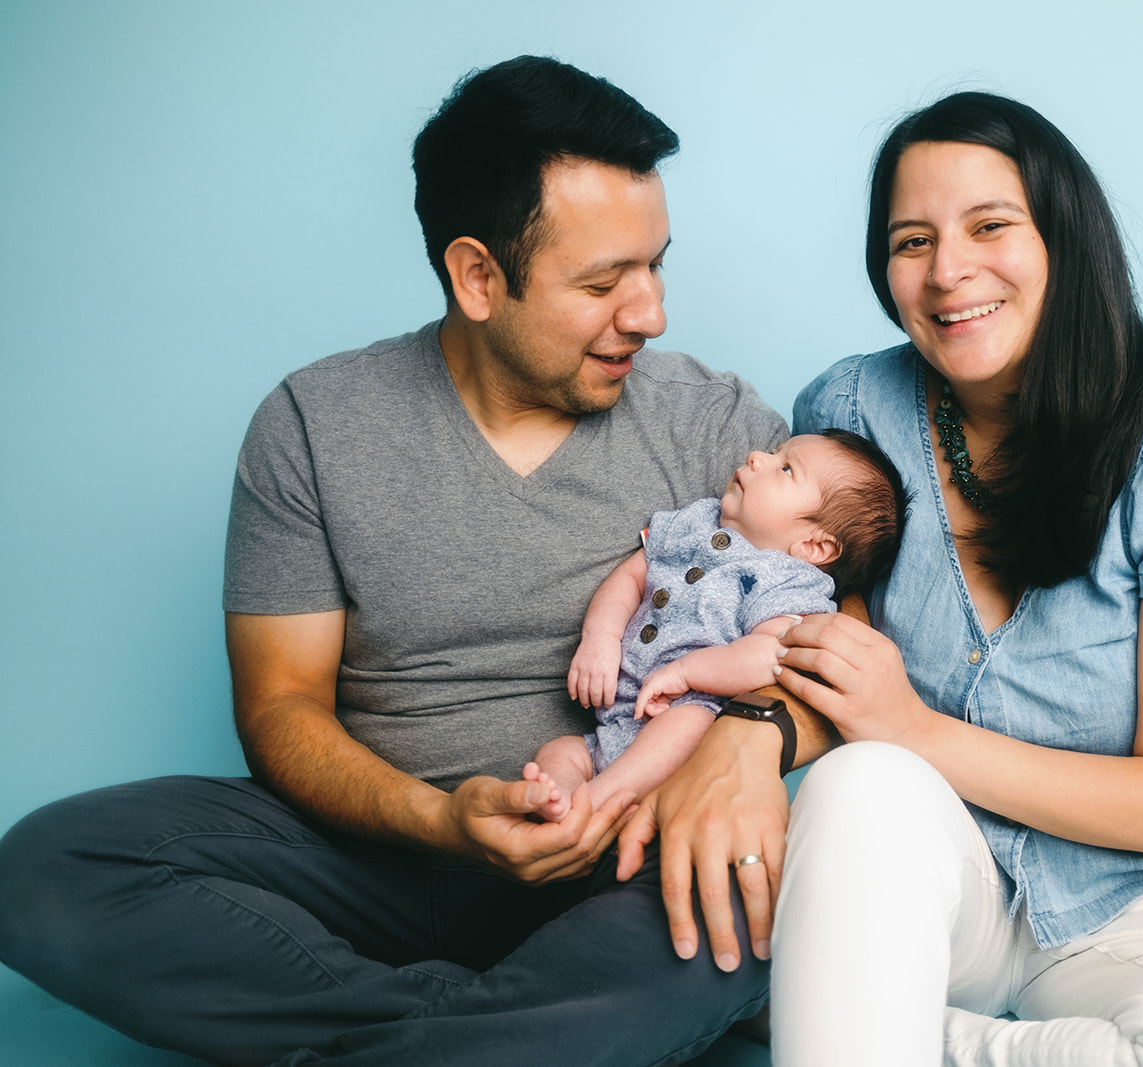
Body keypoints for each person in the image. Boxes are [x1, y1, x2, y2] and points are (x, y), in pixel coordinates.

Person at [0, 55, 821, 1066]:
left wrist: (745, 740)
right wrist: (442, 818)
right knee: (49, 865)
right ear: (478, 275)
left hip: (620, 853)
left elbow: (830, 633)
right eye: (605, 281)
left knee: (737, 908)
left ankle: (438, 1031)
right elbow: (278, 708)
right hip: (373, 855)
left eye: (655, 265)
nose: (649, 312)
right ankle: (500, 1035)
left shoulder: (715, 422)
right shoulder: (314, 422)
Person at [768, 92, 1143, 1065]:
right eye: (911, 240)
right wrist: (739, 754)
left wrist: (914, 726)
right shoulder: (848, 410)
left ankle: (923, 1038)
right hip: (929, 876)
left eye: (989, 225)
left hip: (1141, 902)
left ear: (1063, 239)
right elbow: (819, 658)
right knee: (866, 780)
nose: (948, 271)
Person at [536, 430, 907, 823]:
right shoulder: (696, 520)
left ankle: (595, 803)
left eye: (785, 468)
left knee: (689, 723)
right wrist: (600, 639)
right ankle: (557, 802)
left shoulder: (787, 581)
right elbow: (631, 577)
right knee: (561, 752)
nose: (755, 457)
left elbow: (770, 654)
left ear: (814, 547)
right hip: (615, 719)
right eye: (773, 451)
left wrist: (686, 671)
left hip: (687, 711)